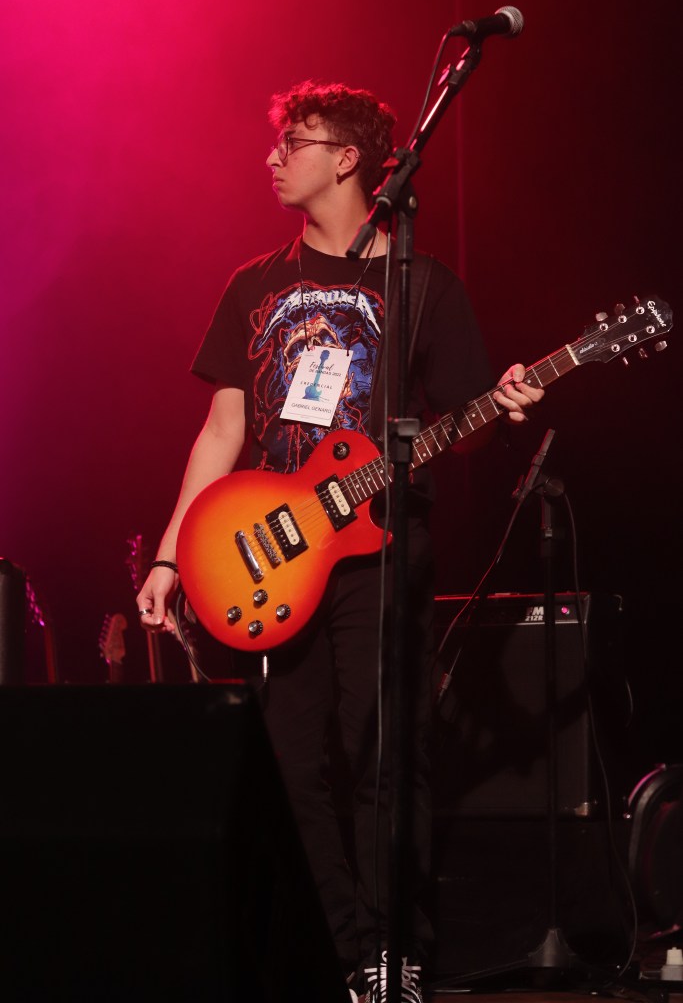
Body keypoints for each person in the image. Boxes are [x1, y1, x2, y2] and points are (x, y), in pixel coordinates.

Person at [136, 80, 544, 1003]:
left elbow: (462, 427)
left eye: (295, 142)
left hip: (378, 553)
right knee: (288, 762)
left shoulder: (424, 284)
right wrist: (169, 554)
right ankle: (345, 950)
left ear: (348, 159)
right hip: (271, 554)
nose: (273, 158)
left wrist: (503, 404)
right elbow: (221, 431)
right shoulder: (253, 283)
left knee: (383, 752)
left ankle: (397, 953)